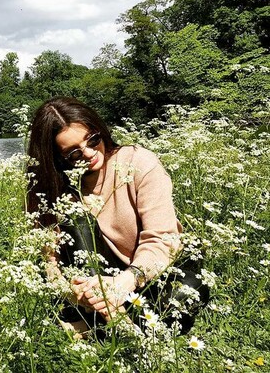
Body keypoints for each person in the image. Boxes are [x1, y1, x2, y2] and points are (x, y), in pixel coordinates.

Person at [26, 96, 208, 336]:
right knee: (76, 218)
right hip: (98, 277)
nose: (89, 153)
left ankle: (111, 322)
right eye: (74, 154)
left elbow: (161, 239)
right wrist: (75, 293)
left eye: (92, 139)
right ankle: (103, 316)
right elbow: (51, 263)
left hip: (151, 269)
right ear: (57, 159)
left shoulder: (138, 162)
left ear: (99, 130)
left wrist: (126, 281)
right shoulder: (53, 190)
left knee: (186, 295)